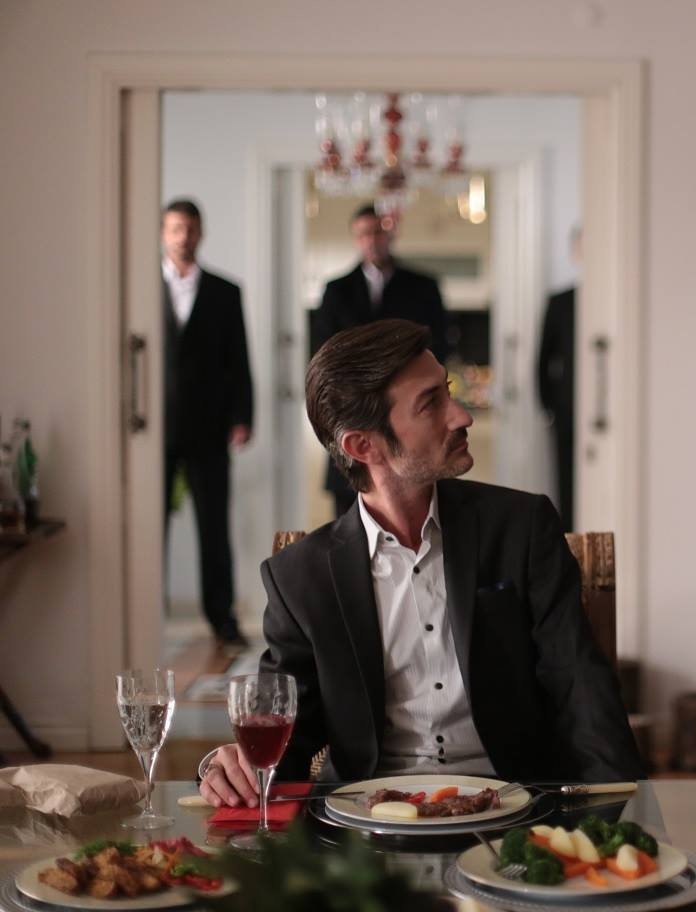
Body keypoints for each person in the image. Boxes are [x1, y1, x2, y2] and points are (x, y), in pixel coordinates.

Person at [198, 319, 642, 807]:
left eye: (447, 392)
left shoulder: (522, 527)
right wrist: (229, 767)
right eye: (431, 404)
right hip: (364, 828)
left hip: (515, 811)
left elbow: (580, 686)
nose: (461, 416)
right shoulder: (298, 578)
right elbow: (286, 735)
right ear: (363, 446)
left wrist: (616, 813)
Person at [312, 204, 449, 518]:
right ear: (355, 239)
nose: (371, 240)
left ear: (391, 234)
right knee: (348, 512)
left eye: (377, 232)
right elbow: (325, 355)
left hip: (409, 408)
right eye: (363, 234)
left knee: (412, 502)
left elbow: (438, 348)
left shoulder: (423, 287)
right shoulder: (336, 291)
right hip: (353, 409)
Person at [161, 198, 254, 650]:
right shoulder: (138, 288)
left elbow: (239, 359)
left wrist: (243, 417)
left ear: (201, 233)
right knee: (149, 524)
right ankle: (146, 611)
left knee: (214, 528)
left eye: (191, 229)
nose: (184, 237)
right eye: (176, 228)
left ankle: (222, 619)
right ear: (164, 233)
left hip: (210, 427)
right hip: (152, 430)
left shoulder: (224, 291)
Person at [537, 226, 581, 531]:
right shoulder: (560, 302)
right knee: (566, 482)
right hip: (566, 410)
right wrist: (549, 407)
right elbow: (543, 360)